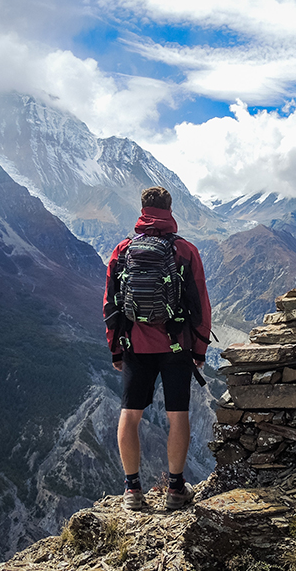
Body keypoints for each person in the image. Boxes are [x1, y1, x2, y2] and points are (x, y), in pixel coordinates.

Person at [103, 186, 212, 511]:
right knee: (178, 415)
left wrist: (115, 349)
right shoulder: (186, 251)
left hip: (135, 344)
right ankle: (176, 489)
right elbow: (201, 305)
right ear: (170, 209)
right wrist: (200, 349)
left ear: (142, 210)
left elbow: (110, 304)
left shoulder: (123, 250)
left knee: (130, 414)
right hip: (177, 345)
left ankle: (132, 490)